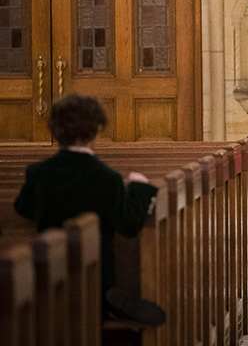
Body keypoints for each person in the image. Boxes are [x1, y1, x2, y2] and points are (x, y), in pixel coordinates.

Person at [14, 94, 165, 326]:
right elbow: (129, 225)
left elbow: (22, 207)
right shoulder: (107, 178)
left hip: (47, 280)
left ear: (55, 130)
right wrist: (140, 189)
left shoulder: (38, 172)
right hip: (97, 283)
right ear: (96, 130)